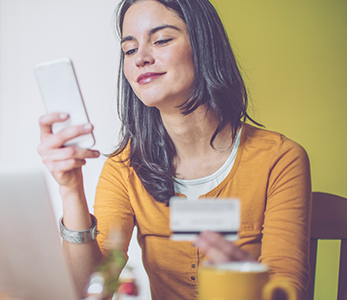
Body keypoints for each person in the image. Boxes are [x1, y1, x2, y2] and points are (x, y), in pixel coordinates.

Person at [38, 0, 312, 299]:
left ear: (204, 45)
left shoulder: (280, 159)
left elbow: (287, 289)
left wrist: (249, 280)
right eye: (129, 50)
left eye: (162, 40)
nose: (140, 57)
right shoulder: (124, 167)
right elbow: (88, 291)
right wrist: (71, 191)